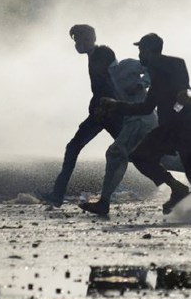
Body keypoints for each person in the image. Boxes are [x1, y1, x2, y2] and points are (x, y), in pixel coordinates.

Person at [98, 33, 191, 215]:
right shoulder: (154, 72)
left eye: (141, 51)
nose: (140, 55)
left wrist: (176, 109)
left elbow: (184, 97)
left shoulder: (175, 64)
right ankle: (178, 189)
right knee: (140, 157)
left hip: (190, 128)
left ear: (149, 50)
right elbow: (147, 107)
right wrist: (116, 107)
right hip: (170, 129)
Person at [78, 56, 183, 218]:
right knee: (160, 158)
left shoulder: (127, 65)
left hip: (140, 120)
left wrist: (142, 84)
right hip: (136, 121)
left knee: (116, 153)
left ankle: (104, 202)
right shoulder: (106, 82)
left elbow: (150, 71)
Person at [37, 24, 122, 207]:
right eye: (76, 40)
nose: (78, 44)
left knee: (132, 150)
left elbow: (112, 80)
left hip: (109, 111)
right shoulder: (93, 56)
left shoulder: (103, 53)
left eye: (81, 39)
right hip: (102, 111)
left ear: (91, 39)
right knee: (74, 147)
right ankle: (58, 194)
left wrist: (106, 103)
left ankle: (58, 194)